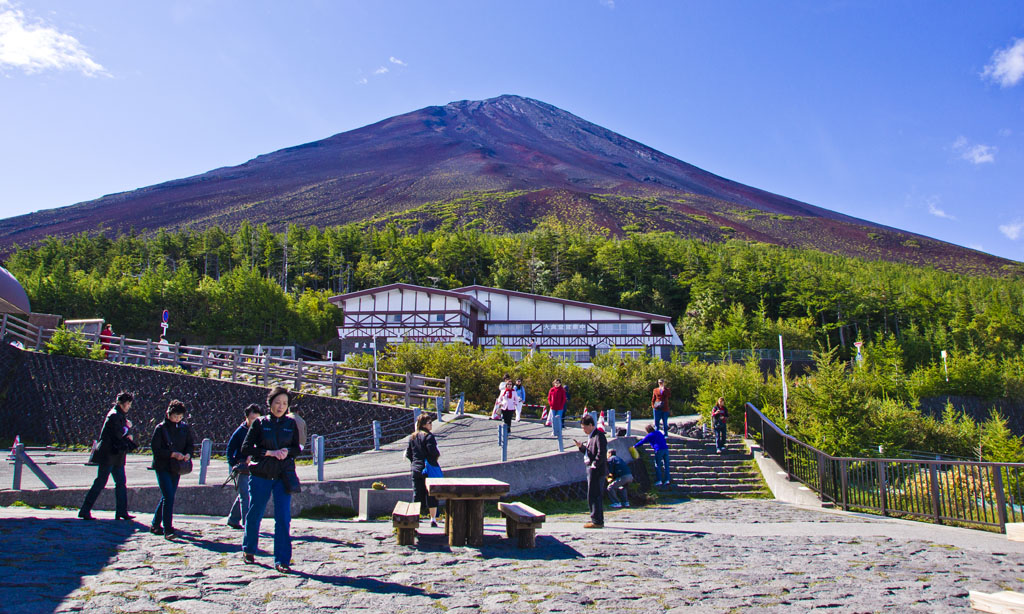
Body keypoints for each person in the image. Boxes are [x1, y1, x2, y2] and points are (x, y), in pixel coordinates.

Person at [241, 387, 301, 573]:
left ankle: (282, 559)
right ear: (270, 403)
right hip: (261, 474)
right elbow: (246, 448)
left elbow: (296, 448)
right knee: (255, 513)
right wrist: (268, 452)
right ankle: (249, 549)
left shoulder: (291, 424)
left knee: (283, 517)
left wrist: (287, 452)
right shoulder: (259, 423)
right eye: (277, 402)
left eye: (284, 403)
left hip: (283, 476)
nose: (280, 406)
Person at [79, 391, 137, 521]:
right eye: (128, 404)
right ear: (123, 403)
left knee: (119, 482)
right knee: (103, 482)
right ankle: (85, 510)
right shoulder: (115, 415)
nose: (129, 406)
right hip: (110, 455)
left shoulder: (117, 414)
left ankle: (121, 511)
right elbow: (117, 433)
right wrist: (127, 430)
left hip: (115, 455)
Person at [150, 400, 195, 539]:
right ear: (168, 414)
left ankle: (155, 524)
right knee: (169, 496)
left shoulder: (184, 428)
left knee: (167, 496)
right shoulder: (160, 428)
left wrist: (188, 454)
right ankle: (168, 529)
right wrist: (172, 454)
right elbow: (156, 449)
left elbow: (190, 445)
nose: (177, 419)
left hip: (176, 467)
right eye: (175, 416)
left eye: (180, 417)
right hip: (163, 466)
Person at [226, 403, 262, 530]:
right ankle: (249, 524)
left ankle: (233, 519)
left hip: (255, 466)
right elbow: (230, 449)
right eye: (252, 419)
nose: (254, 422)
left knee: (245, 494)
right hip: (242, 467)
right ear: (246, 417)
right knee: (245, 495)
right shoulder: (240, 432)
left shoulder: (260, 430)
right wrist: (235, 464)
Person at [405, 413, 442, 527]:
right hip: (428, 469)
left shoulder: (412, 437)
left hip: (416, 469)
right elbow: (433, 451)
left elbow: (408, 454)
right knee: (431, 494)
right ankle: (433, 519)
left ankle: (415, 517)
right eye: (429, 422)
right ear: (424, 424)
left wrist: (415, 462)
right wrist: (435, 457)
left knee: (417, 493)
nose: (431, 424)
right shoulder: (429, 436)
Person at [574, 414, 607, 529]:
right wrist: (581, 447)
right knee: (592, 495)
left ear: (591, 425)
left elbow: (601, 453)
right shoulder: (591, 436)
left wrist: (595, 464)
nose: (584, 430)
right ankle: (596, 519)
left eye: (584, 427)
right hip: (591, 468)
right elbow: (590, 452)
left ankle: (597, 521)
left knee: (595, 495)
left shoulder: (599, 436)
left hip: (596, 470)